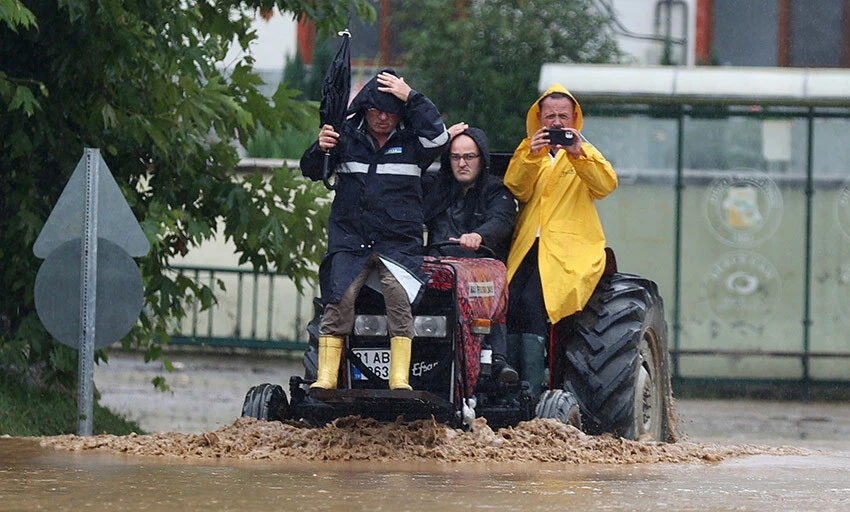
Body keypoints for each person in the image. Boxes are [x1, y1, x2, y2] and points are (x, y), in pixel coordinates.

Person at [300, 69, 449, 391]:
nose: (382, 118)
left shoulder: (414, 143)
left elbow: (439, 137)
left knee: (399, 302)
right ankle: (325, 378)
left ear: (400, 114)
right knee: (338, 299)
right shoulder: (345, 138)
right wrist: (321, 147)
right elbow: (310, 170)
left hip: (398, 243)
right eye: (375, 111)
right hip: (350, 240)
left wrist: (411, 96)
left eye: (390, 112)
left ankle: (399, 379)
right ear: (364, 110)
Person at [503, 84, 618, 398]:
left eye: (562, 116)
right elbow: (516, 188)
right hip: (529, 246)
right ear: (539, 119)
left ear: (574, 118)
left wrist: (579, 156)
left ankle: (532, 388)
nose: (556, 123)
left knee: (534, 301)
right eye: (549, 116)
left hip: (570, 250)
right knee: (509, 298)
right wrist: (531, 155)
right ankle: (507, 383)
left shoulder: (585, 151)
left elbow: (606, 185)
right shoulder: (529, 149)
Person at [422, 123, 519, 383]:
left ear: (481, 159)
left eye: (468, 157)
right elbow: (408, 171)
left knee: (489, 281)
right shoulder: (435, 187)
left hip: (479, 275)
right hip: (435, 272)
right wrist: (440, 142)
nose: (462, 163)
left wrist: (479, 236)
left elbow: (501, 220)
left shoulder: (497, 191)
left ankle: (496, 360)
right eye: (455, 157)